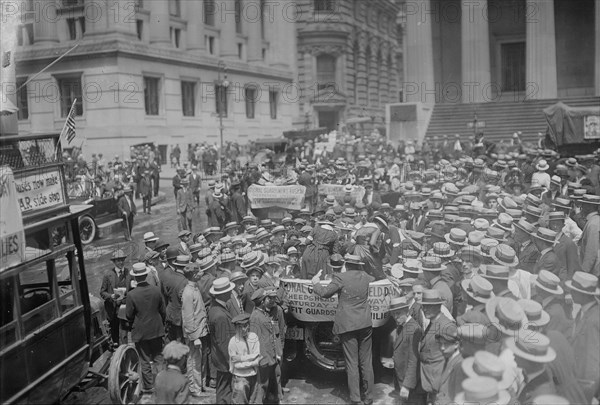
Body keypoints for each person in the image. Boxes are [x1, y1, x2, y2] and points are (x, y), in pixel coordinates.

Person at [311, 254, 375, 405]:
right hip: (365, 323)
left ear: (347, 264)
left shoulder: (341, 278)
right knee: (366, 361)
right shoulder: (366, 276)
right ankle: (369, 396)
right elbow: (374, 278)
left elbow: (325, 293)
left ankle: (355, 398)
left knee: (352, 362)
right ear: (359, 264)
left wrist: (316, 283)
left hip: (348, 325)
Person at [125, 262, 166, 395]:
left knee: (144, 359)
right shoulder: (156, 289)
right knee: (159, 357)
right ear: (146, 274)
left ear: (135, 278)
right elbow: (163, 311)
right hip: (156, 328)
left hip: (141, 332)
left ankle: (149, 387)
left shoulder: (132, 294)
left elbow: (128, 315)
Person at [566, 271, 600, 401]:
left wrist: (588, 392)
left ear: (584, 294)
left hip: (586, 387)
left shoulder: (593, 321)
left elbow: (593, 362)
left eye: (574, 290)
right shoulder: (584, 312)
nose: (571, 293)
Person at [419, 289, 456, 403]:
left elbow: (454, 357)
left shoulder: (446, 326)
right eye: (423, 306)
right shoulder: (433, 322)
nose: (425, 309)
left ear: (438, 306)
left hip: (440, 384)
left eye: (429, 306)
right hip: (430, 382)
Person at [389, 296, 424, 404]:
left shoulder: (414, 329)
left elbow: (414, 360)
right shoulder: (401, 327)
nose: (395, 317)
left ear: (406, 311)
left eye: (398, 313)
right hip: (401, 379)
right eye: (393, 314)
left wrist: (407, 386)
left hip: (411, 385)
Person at [249, 287, 282, 404]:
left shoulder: (263, 314)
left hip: (270, 355)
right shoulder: (256, 317)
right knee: (261, 386)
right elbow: (254, 340)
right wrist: (261, 359)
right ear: (262, 302)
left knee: (267, 384)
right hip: (264, 358)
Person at [181, 263, 208, 396]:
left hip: (200, 330)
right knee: (194, 361)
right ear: (193, 275)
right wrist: (194, 336)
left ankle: (200, 385)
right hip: (194, 333)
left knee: (199, 360)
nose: (201, 273)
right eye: (198, 272)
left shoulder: (194, 288)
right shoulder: (188, 292)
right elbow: (188, 317)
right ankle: (194, 389)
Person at [208, 277, 236, 404]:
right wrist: (231, 362)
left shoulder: (216, 309)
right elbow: (223, 342)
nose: (231, 292)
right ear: (223, 294)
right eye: (229, 290)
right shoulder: (220, 315)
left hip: (220, 358)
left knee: (223, 388)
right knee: (224, 391)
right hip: (224, 360)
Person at [229, 313, 262, 404]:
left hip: (254, 376)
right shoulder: (233, 342)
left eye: (246, 325)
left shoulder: (253, 337)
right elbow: (238, 365)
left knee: (255, 402)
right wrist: (253, 362)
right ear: (236, 328)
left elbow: (257, 355)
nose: (244, 329)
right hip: (240, 378)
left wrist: (241, 358)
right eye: (241, 327)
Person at [100, 249, 130, 346]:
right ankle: (116, 350)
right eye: (118, 260)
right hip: (112, 309)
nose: (121, 262)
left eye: (122, 260)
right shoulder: (107, 275)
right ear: (114, 262)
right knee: (115, 333)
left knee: (124, 332)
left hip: (125, 307)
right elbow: (102, 292)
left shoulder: (129, 273)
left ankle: (125, 349)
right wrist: (111, 296)